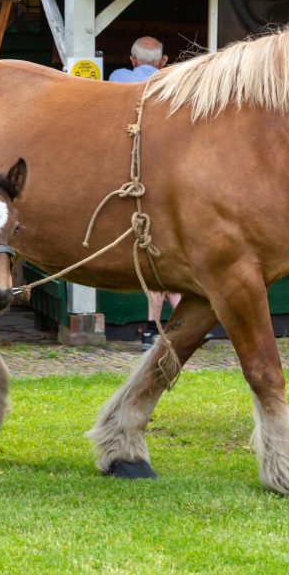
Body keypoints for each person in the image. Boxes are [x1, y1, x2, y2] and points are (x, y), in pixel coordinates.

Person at [108, 36, 181, 350]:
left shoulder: (118, 80)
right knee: (163, 257)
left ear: (133, 60)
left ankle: (155, 330)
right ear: (164, 62)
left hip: (133, 179)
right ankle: (181, 326)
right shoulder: (175, 83)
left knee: (152, 257)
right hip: (170, 179)